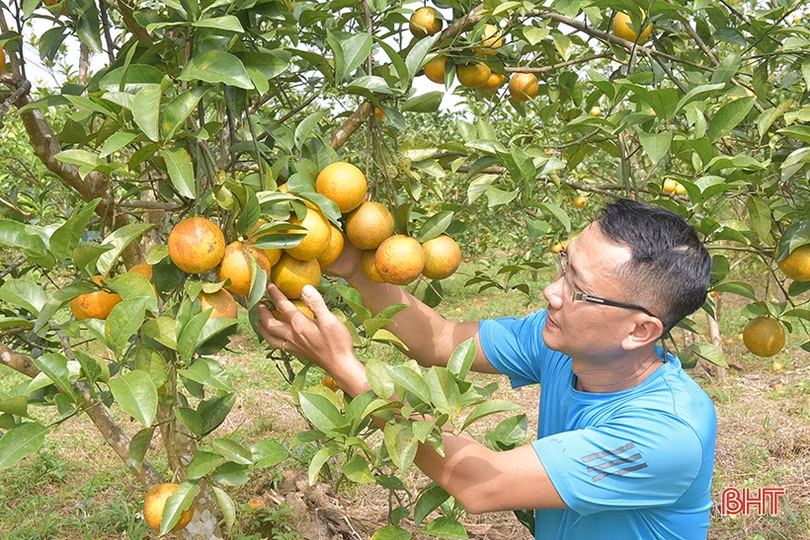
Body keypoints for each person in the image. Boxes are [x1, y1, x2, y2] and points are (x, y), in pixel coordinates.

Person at [257, 198, 717, 540]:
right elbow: (437, 339)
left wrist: (345, 369)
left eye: (578, 289)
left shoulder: (665, 435)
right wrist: (356, 268)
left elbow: (481, 485)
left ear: (639, 331)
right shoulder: (563, 344)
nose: (552, 292)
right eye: (565, 267)